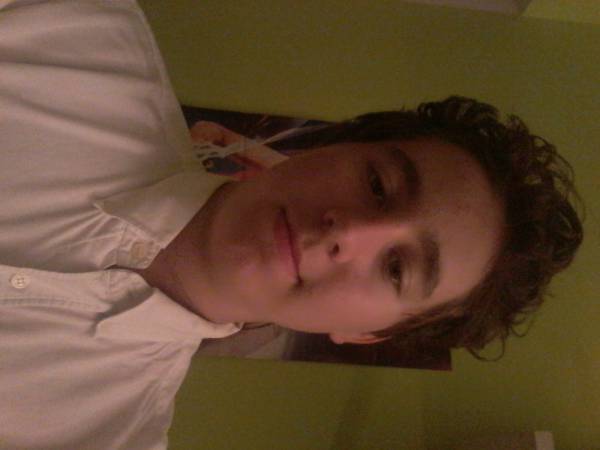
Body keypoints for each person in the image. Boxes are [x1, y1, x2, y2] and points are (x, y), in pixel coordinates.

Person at [0, 1, 583, 450]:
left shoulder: (107, 436)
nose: (349, 233)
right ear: (333, 146)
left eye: (396, 268)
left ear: (366, 335)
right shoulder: (72, 32)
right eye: (378, 185)